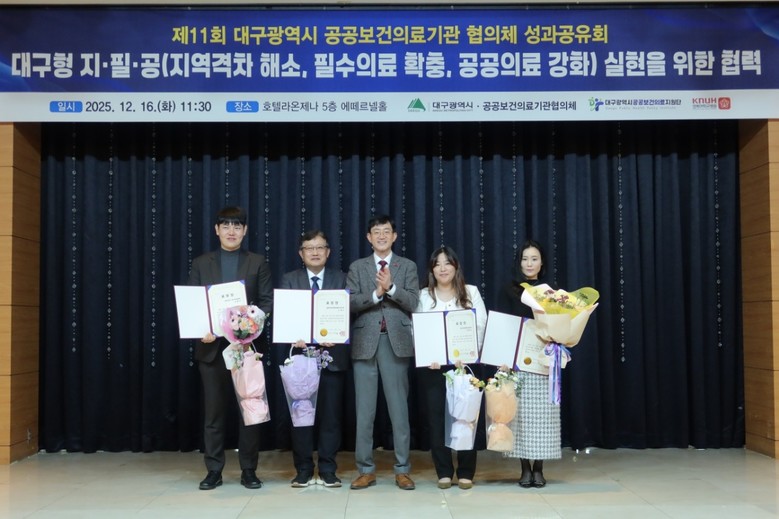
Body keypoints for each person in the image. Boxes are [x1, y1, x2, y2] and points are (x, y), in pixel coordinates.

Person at [188, 206, 273, 490]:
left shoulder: (257, 262)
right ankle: (214, 470)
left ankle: (249, 470)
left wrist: (250, 324)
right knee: (214, 414)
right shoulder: (201, 263)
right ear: (217, 230)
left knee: (250, 411)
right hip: (212, 350)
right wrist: (201, 329)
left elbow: (266, 302)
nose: (231, 231)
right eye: (226, 226)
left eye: (237, 226)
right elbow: (194, 304)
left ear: (245, 231)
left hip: (246, 350)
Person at [347, 215, 420, 491]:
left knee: (399, 411)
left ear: (394, 236)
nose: (381, 236)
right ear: (368, 237)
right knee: (364, 412)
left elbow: (413, 302)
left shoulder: (407, 266)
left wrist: (391, 288)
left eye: (386, 231)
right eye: (376, 232)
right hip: (365, 343)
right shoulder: (358, 267)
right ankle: (365, 469)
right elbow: (350, 302)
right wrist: (376, 294)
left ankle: (402, 469)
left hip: (396, 342)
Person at [279, 230, 349, 489]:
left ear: (328, 252)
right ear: (301, 253)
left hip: (332, 357)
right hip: (301, 359)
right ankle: (304, 469)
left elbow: (348, 315)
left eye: (320, 247)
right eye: (310, 248)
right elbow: (285, 315)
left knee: (331, 417)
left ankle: (328, 469)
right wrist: (293, 335)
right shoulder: (290, 280)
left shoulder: (341, 278)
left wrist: (337, 334)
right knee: (301, 416)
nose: (315, 252)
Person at [415, 246, 487, 490]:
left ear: (456, 266)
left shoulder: (471, 292)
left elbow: (481, 325)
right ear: (431, 270)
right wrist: (428, 355)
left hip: (465, 366)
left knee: (466, 418)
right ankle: (444, 471)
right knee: (437, 420)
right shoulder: (423, 296)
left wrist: (466, 354)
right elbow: (416, 330)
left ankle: (466, 472)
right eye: (437, 264)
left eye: (447, 263)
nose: (442, 268)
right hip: (434, 368)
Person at [497, 239, 559, 488]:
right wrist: (503, 359)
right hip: (517, 363)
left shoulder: (551, 293)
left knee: (543, 418)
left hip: (543, 362)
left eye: (534, 259)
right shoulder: (509, 290)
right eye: (525, 259)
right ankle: (524, 468)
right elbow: (502, 326)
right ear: (519, 262)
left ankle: (539, 468)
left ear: (542, 263)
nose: (529, 263)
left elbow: (559, 327)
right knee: (520, 417)